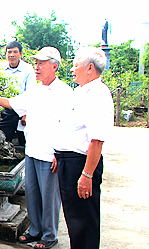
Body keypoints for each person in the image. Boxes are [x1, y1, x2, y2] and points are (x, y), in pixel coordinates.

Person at [0, 47, 72, 248]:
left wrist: (60, 154)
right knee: (33, 195)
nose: (36, 67)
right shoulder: (35, 90)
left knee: (50, 198)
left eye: (41, 63)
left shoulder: (64, 92)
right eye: (35, 63)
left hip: (50, 154)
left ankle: (49, 236)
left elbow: (68, 126)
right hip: (33, 151)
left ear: (54, 66)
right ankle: (35, 230)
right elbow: (10, 103)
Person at [53, 47, 114, 248]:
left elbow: (97, 140)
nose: (72, 69)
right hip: (67, 161)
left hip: (81, 163)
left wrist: (87, 175)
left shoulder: (98, 94)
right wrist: (58, 153)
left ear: (89, 68)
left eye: (76, 64)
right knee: (74, 219)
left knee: (84, 221)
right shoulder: (80, 92)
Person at [0, 41, 37, 146]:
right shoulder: (1, 68)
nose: (12, 55)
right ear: (6, 54)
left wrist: (26, 113)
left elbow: (32, 92)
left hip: (23, 110)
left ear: (20, 53)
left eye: (15, 52)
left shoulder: (27, 69)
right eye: (9, 52)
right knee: (2, 139)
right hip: (7, 108)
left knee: (25, 141)